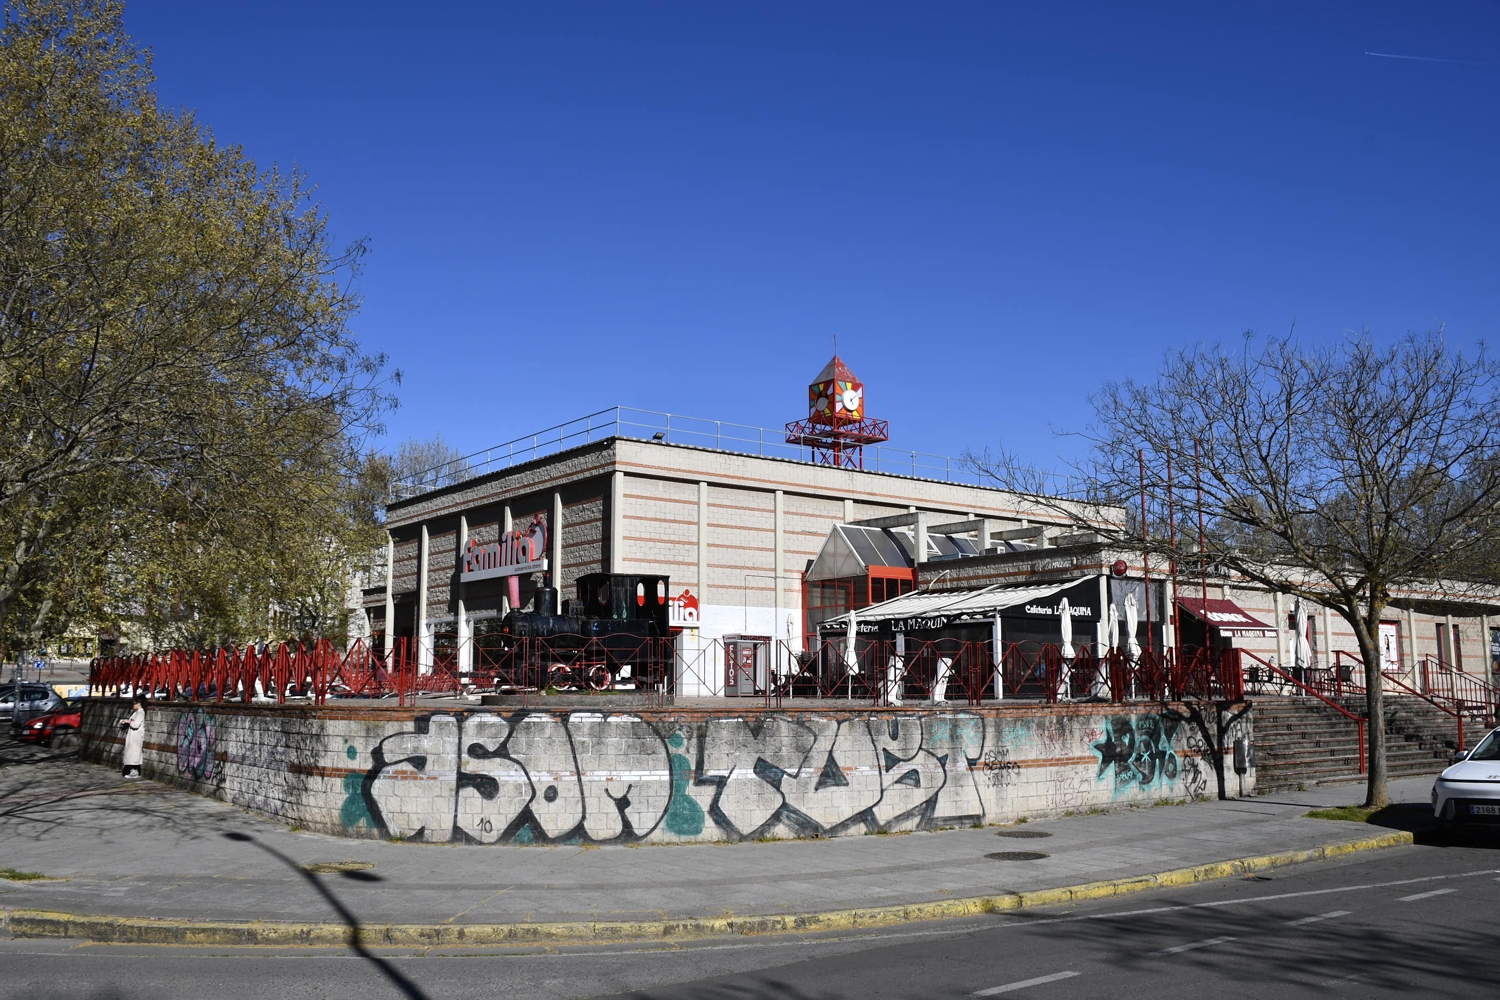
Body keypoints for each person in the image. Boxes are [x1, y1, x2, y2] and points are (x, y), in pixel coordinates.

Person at [119, 697, 145, 778]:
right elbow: (132, 721)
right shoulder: (136, 713)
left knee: (134, 754)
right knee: (131, 753)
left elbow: (135, 724)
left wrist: (128, 721)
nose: (133, 705)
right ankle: (132, 770)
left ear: (138, 704)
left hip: (136, 737)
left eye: (134, 704)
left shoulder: (141, 713)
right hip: (132, 737)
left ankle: (135, 772)